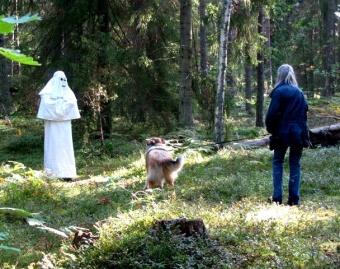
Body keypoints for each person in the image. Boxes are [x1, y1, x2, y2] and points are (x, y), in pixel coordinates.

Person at [265, 64, 309, 206]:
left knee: (278, 162)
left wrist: (272, 130)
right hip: (298, 133)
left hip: (281, 134)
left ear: (280, 75)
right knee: (295, 164)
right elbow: (304, 114)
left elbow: (271, 115)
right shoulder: (299, 92)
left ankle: (277, 199)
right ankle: (294, 200)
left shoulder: (279, 92)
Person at [37, 71, 80, 180]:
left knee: (66, 149)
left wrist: (65, 104)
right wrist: (63, 104)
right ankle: (52, 174)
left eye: (64, 79)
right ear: (55, 80)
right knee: (53, 148)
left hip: (65, 127)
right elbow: (49, 108)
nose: (63, 82)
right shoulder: (47, 94)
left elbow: (71, 103)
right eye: (60, 79)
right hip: (52, 128)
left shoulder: (69, 93)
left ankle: (67, 173)